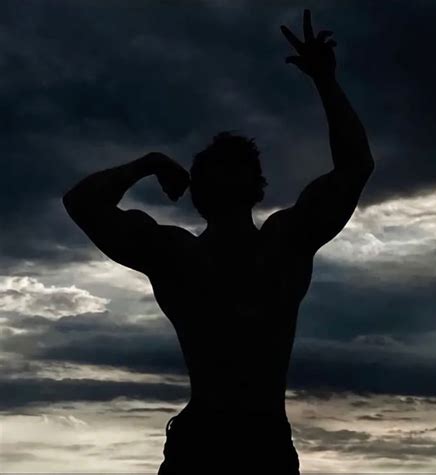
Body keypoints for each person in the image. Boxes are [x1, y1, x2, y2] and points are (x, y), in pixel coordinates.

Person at [63, 9, 375, 475]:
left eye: (238, 165)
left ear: (257, 186)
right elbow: (82, 202)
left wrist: (326, 83)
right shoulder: (178, 254)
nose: (228, 173)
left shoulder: (283, 242)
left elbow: (354, 169)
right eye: (218, 167)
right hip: (204, 445)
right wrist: (146, 163)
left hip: (261, 445)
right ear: (199, 191)